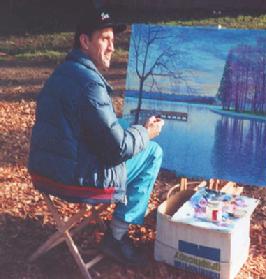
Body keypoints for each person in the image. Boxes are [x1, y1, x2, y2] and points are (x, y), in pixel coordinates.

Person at [28, 7, 164, 266]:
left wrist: (132, 130)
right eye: (105, 39)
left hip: (45, 169)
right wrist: (146, 133)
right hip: (71, 178)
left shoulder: (64, 71)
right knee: (152, 152)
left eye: (113, 40)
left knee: (124, 124)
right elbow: (118, 150)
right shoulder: (90, 83)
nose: (112, 47)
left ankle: (116, 231)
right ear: (85, 41)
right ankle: (117, 237)